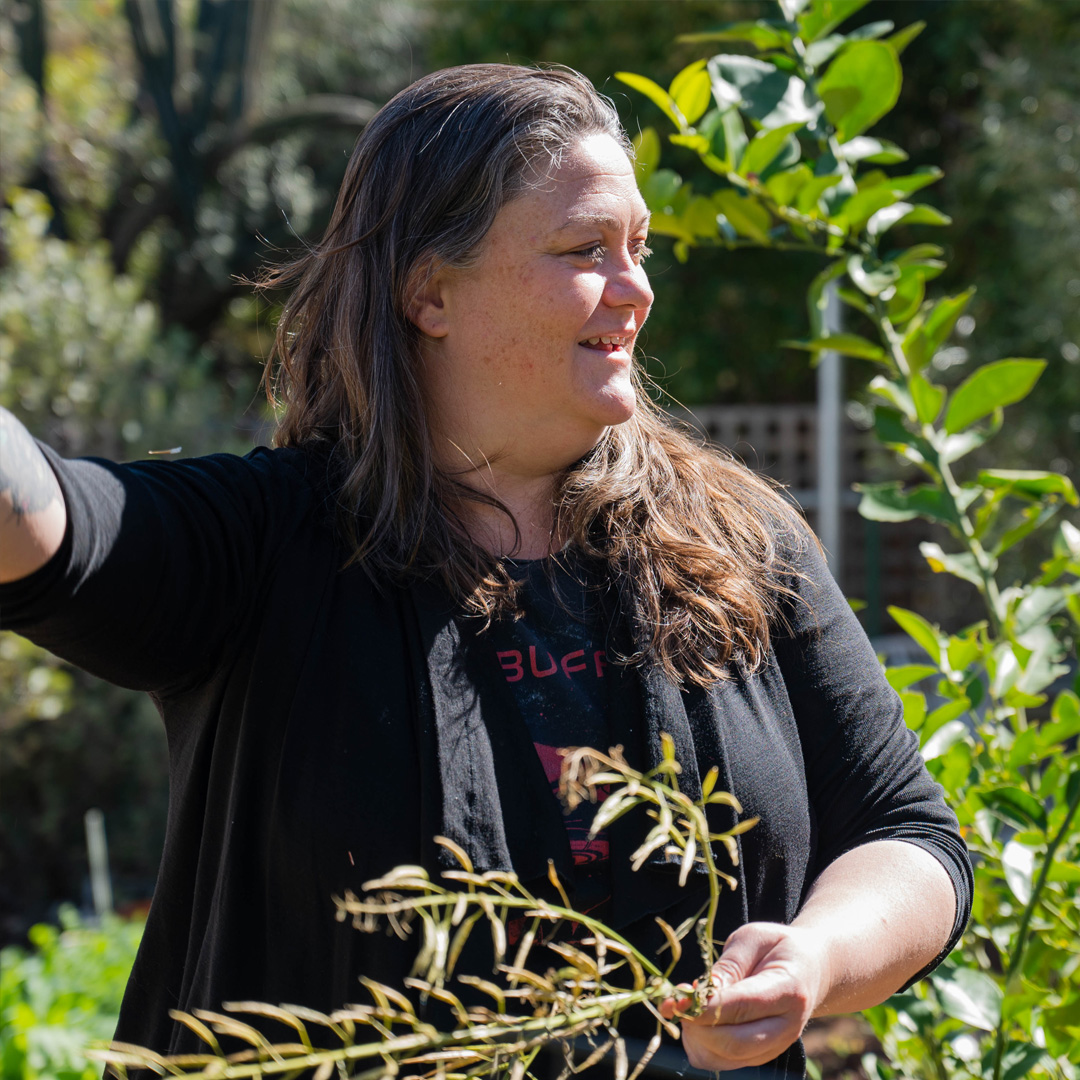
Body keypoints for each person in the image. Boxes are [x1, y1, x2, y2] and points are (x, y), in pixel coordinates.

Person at [0, 64, 971, 1077]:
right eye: (583, 249)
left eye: (638, 247)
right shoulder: (269, 548)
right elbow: (54, 524)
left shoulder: (736, 545)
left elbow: (909, 835)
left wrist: (816, 956)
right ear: (430, 292)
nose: (636, 287)